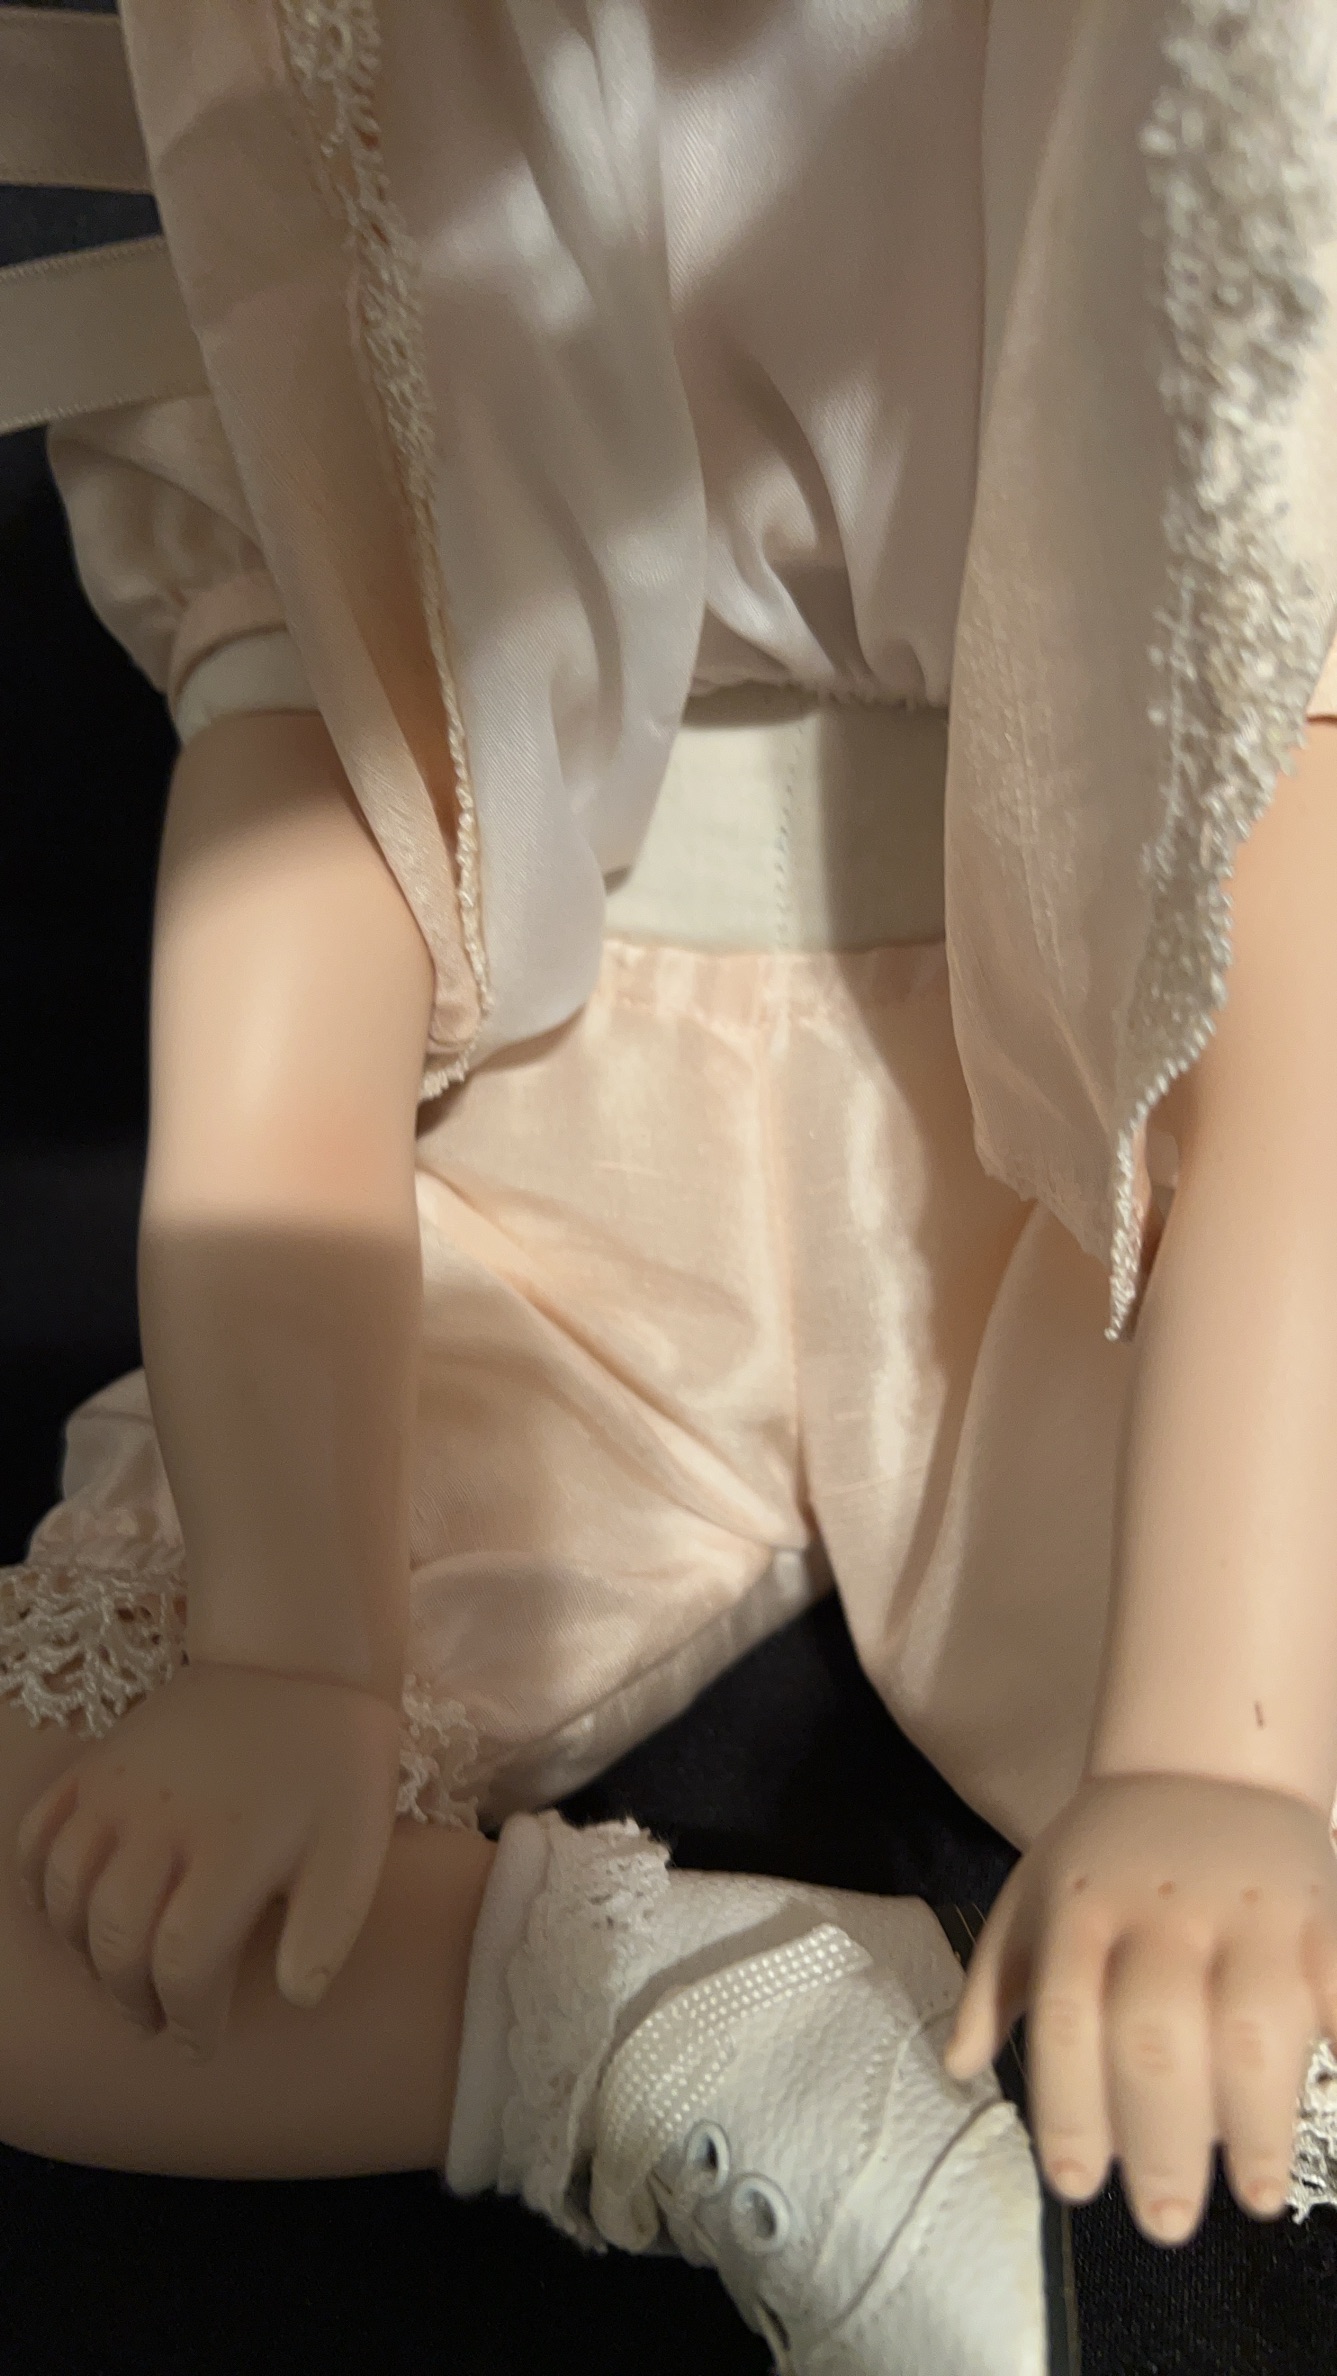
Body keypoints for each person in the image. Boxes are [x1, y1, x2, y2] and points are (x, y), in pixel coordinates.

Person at [1, 3, 1337, 2369]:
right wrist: (287, 1644)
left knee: (1267, 1856)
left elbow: (1283, 957)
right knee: (63, 1891)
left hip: (1102, 1110)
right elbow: (303, 783)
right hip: (550, 1085)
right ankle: (710, 2040)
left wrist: (1220, 1757)